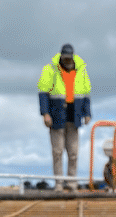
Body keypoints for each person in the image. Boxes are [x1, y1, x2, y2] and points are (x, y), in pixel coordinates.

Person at [38, 44, 92, 189]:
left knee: (73, 153)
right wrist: (45, 113)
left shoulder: (81, 71)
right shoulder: (51, 70)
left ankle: (72, 182)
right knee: (58, 152)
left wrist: (87, 113)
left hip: (74, 117)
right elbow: (43, 94)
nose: (67, 61)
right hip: (56, 117)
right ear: (61, 57)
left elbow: (85, 94)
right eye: (65, 58)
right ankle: (59, 183)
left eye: (69, 58)